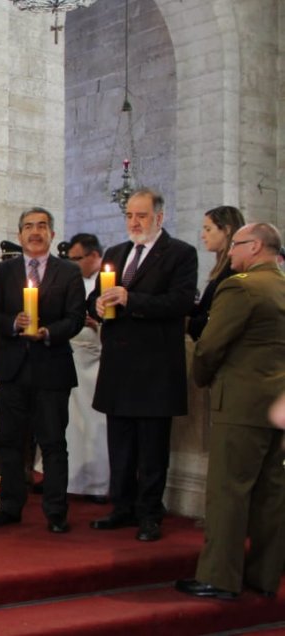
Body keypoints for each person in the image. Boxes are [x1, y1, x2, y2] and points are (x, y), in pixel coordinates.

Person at [176, 223, 285, 600]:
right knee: (273, 494)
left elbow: (209, 346)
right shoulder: (281, 285)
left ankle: (219, 577)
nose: (230, 254)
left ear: (254, 247)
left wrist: (202, 379)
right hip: (278, 405)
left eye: (236, 245)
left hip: (241, 405)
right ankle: (264, 575)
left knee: (228, 491)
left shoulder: (242, 286)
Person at [91, 187, 197, 542]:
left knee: (152, 447)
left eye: (141, 216)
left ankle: (150, 513)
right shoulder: (117, 253)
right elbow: (95, 299)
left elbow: (180, 302)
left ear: (159, 218)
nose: (134, 223)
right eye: (129, 216)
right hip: (119, 365)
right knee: (120, 443)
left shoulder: (180, 254)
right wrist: (97, 307)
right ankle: (121, 506)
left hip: (155, 367)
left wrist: (129, 298)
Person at [0, 208, 85, 533]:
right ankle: (10, 506)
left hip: (51, 367)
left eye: (42, 226)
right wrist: (14, 323)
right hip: (12, 368)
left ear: (52, 234)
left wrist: (49, 332)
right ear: (20, 234)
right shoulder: (5, 271)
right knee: (9, 441)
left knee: (53, 442)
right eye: (28, 227)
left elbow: (76, 317)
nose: (35, 232)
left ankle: (55, 512)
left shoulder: (68, 272)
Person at [62, 233, 109, 501]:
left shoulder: (105, 282)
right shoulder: (72, 281)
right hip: (74, 356)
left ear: (94, 257)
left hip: (98, 359)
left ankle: (100, 482)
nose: (71, 264)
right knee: (71, 424)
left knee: (97, 422)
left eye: (76, 259)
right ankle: (72, 480)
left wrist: (98, 324)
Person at [187, 206, 245, 341]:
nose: (203, 235)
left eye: (208, 229)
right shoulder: (222, 267)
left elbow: (220, 318)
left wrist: (187, 323)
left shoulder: (233, 269)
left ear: (227, 230)